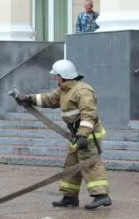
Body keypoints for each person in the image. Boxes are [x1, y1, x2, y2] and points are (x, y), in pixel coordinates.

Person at [14, 59, 112, 210]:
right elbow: (49, 99)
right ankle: (70, 198)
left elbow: (88, 114)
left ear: (64, 75)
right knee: (71, 165)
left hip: (88, 135)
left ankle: (102, 196)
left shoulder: (82, 91)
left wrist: (83, 136)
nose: (55, 78)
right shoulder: (64, 90)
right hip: (77, 135)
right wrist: (29, 98)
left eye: (57, 76)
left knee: (90, 163)